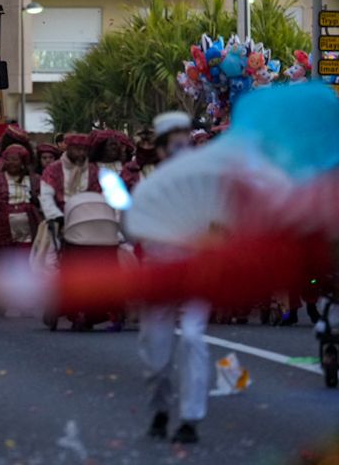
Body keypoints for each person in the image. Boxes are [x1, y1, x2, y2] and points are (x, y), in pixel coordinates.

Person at [135, 110, 207, 443]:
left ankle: (191, 419)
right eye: (172, 143)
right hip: (160, 273)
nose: (179, 148)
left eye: (184, 140)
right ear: (162, 149)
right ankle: (161, 411)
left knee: (193, 337)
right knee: (157, 355)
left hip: (196, 272)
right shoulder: (148, 186)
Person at [0, 145, 40, 263]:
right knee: (4, 265)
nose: (11, 163)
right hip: (2, 231)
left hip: (28, 231)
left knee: (26, 263)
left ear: (22, 162)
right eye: (8, 159)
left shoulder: (34, 180)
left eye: (15, 159)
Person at [38, 133, 91, 224]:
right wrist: (57, 217)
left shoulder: (93, 170)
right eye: (77, 149)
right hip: (61, 220)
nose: (81, 153)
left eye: (84, 149)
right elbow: (46, 197)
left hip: (89, 220)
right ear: (68, 148)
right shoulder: (53, 170)